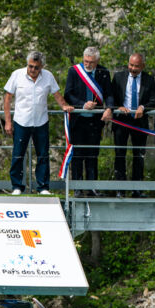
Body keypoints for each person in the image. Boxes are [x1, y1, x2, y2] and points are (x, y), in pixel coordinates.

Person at [3, 51, 74, 196]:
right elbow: (7, 99)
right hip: (21, 121)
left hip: (41, 121)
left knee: (43, 155)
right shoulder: (17, 75)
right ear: (27, 64)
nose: (33, 70)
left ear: (41, 67)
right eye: (30, 66)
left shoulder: (48, 76)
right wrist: (8, 122)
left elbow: (56, 94)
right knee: (18, 155)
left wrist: (64, 106)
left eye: (36, 67)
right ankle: (17, 186)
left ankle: (42, 187)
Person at [64, 46, 114, 197]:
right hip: (78, 120)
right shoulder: (74, 71)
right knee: (78, 155)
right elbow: (68, 93)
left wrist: (109, 108)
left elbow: (109, 94)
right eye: (86, 61)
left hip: (95, 121)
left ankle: (92, 188)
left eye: (91, 62)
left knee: (93, 154)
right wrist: (82, 104)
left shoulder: (103, 72)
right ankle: (78, 188)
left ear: (97, 61)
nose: (88, 64)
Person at [111, 52, 155, 198]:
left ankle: (137, 189)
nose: (133, 68)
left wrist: (143, 107)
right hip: (122, 120)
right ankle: (120, 189)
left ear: (142, 66)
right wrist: (118, 107)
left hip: (139, 120)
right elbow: (111, 96)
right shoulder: (118, 77)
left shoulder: (149, 79)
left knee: (139, 155)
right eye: (131, 65)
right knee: (120, 154)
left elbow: (152, 101)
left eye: (136, 66)